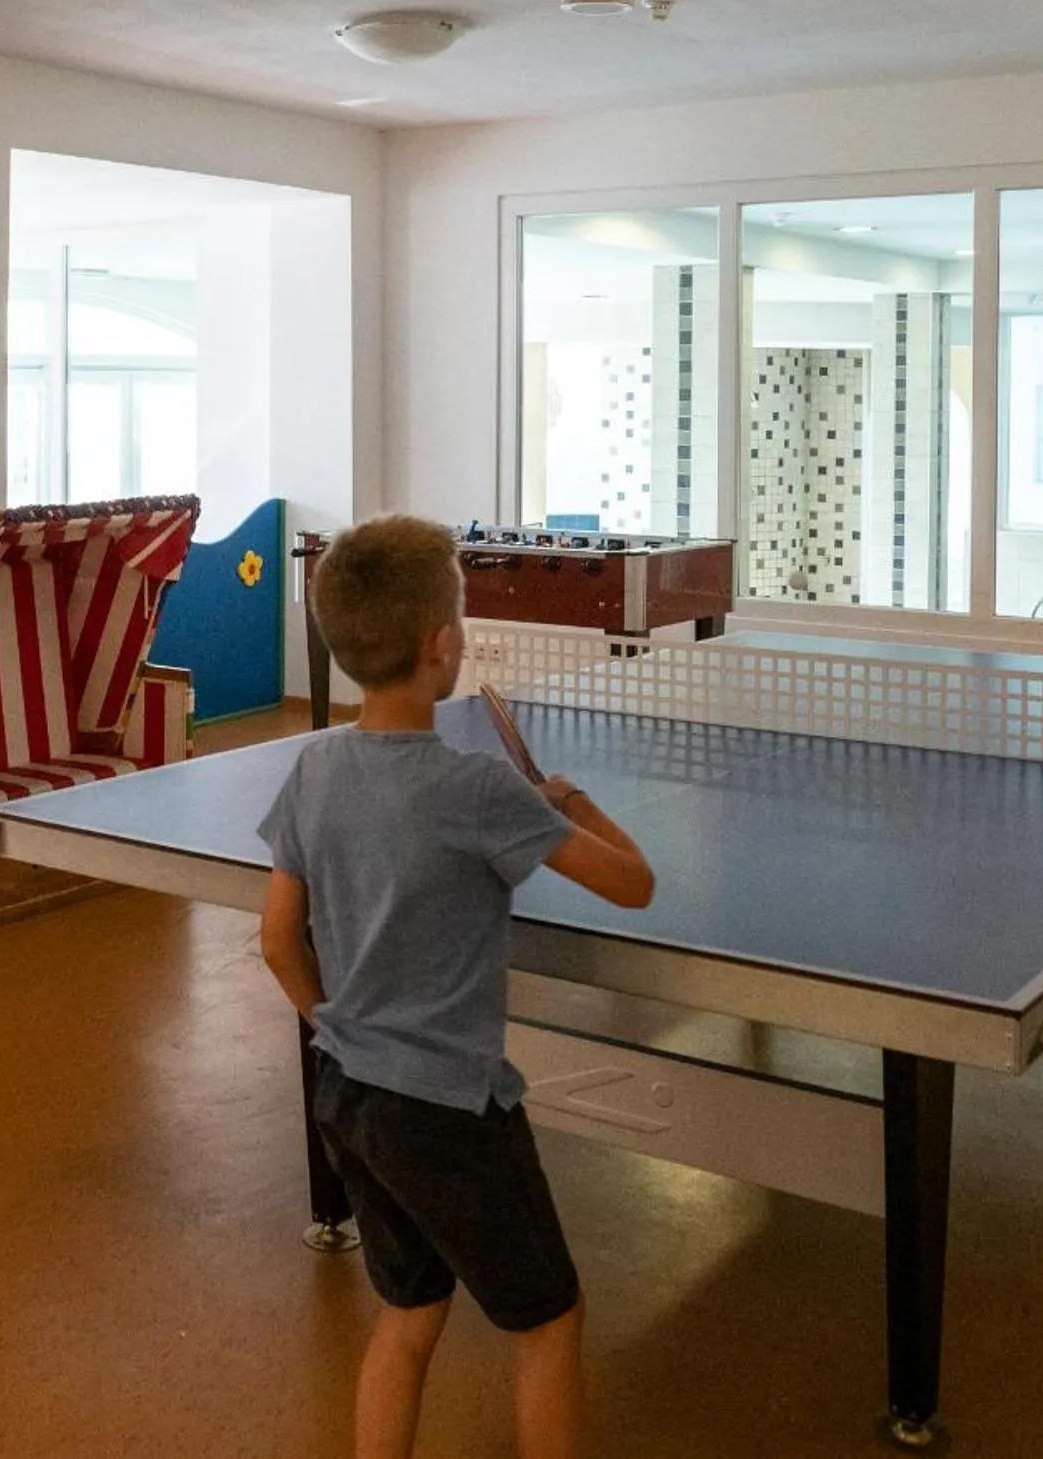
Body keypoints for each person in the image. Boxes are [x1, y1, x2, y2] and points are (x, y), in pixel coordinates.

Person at [257, 515, 655, 1459]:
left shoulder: (311, 769)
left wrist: (341, 1026)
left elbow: (278, 942)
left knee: (407, 1316)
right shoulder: (479, 790)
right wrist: (572, 802)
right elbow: (633, 884)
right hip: (449, 1113)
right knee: (549, 1322)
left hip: (349, 1094)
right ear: (443, 646)